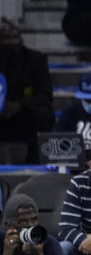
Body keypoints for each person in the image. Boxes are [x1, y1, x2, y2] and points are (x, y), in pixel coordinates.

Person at [0, 18, 53, 161]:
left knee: (43, 114)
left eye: (16, 38)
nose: (13, 42)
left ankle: (36, 163)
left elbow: (46, 96)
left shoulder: (36, 59)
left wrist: (20, 105)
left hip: (24, 115)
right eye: (7, 39)